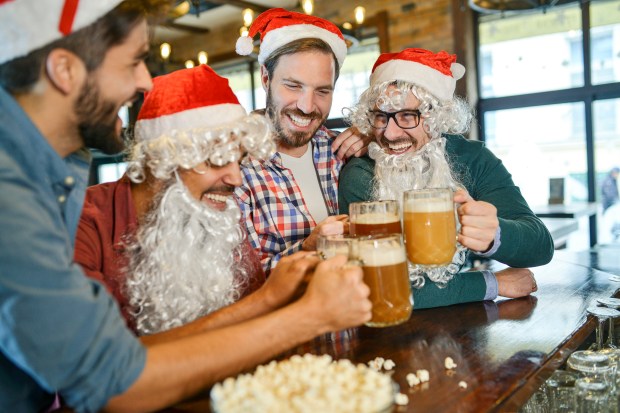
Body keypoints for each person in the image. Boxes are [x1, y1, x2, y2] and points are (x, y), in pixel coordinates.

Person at [0, 2, 372, 412]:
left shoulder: (209, 217)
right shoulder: (52, 207)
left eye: (322, 89)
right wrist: (306, 315)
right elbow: (109, 378)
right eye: (134, 61)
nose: (145, 80)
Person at [338, 48, 553, 308]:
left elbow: (540, 246)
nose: (390, 134)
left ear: (437, 116)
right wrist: (492, 284)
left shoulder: (473, 158)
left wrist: (493, 235)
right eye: (381, 117)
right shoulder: (360, 174)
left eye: (408, 116)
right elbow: (380, 288)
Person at [75, 64, 273, 335]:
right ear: (161, 163)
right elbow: (103, 362)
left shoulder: (215, 216)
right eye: (218, 160)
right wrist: (268, 301)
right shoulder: (82, 220)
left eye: (239, 160)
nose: (236, 180)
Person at [234, 8, 368, 274]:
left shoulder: (343, 149)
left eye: (322, 91)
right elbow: (240, 282)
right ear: (265, 78)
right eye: (293, 86)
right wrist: (308, 249)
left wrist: (375, 139)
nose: (307, 107)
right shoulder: (234, 166)